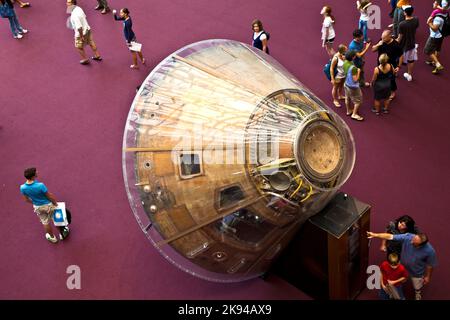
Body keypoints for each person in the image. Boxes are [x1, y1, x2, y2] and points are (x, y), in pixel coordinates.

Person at [367, 231, 437, 300]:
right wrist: (375, 235)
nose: (411, 242)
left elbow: (430, 265)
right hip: (402, 265)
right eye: (413, 239)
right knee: (398, 278)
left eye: (414, 243)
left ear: (421, 245)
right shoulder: (409, 237)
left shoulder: (430, 251)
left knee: (417, 285)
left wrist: (428, 276)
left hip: (416, 272)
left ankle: (417, 292)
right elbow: (390, 236)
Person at [20, 168, 70, 243]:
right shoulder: (40, 185)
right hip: (49, 205)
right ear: (33, 176)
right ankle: (62, 234)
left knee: (45, 222)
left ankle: (52, 238)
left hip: (38, 207)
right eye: (35, 172)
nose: (37, 172)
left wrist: (36, 202)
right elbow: (49, 196)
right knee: (56, 220)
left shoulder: (22, 187)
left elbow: (26, 200)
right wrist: (55, 203)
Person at [66, 0, 102, 65]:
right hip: (87, 29)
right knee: (91, 42)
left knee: (79, 47)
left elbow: (79, 27)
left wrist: (81, 36)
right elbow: (84, 17)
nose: (67, 3)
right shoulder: (79, 8)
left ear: (73, 3)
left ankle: (85, 59)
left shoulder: (74, 15)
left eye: (68, 2)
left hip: (80, 34)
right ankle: (97, 55)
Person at [372, 30, 403, 101]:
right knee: (380, 78)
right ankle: (382, 89)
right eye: (382, 38)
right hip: (380, 65)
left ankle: (392, 92)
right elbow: (373, 50)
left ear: (389, 36)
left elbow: (401, 56)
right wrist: (378, 45)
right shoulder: (381, 41)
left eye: (384, 38)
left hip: (391, 66)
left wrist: (398, 66)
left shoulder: (396, 45)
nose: (383, 39)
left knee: (391, 80)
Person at [424, 0, 448, 74]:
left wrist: (429, 23)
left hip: (434, 36)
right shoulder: (446, 12)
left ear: (439, 5)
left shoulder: (438, 18)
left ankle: (438, 64)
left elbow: (434, 29)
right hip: (441, 35)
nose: (433, 3)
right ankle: (434, 62)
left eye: (435, 3)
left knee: (427, 50)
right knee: (437, 49)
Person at [397, 6, 419, 81]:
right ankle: (409, 75)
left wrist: (394, 42)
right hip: (412, 44)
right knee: (411, 60)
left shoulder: (402, 24)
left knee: (397, 59)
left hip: (403, 45)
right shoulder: (416, 19)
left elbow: (400, 37)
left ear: (405, 13)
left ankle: (395, 72)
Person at [343, 50, 364, 121]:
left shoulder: (345, 62)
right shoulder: (354, 68)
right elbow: (355, 79)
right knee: (358, 101)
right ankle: (354, 114)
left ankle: (348, 110)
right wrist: (358, 72)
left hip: (346, 84)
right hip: (352, 87)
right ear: (353, 57)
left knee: (347, 97)